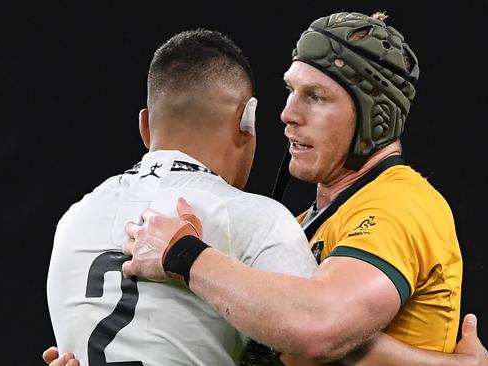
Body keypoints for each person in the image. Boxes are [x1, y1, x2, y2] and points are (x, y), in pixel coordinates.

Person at [44, 14, 488, 366]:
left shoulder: (401, 203)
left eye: (315, 97)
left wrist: (186, 256)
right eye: (289, 91)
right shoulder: (297, 225)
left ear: (377, 117)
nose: (286, 114)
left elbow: (318, 332)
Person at [46, 29, 319, 366]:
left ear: (145, 127)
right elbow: (319, 344)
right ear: (245, 121)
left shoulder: (73, 220)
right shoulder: (259, 220)